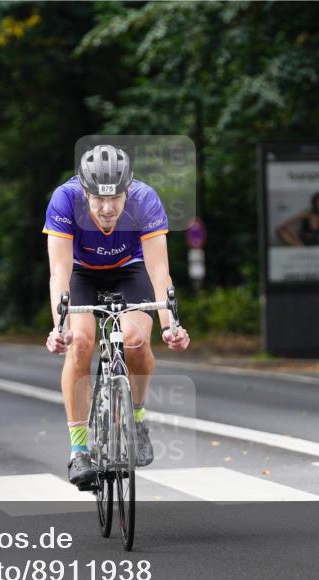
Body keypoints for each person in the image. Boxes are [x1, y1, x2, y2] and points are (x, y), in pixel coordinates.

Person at [43, 144, 190, 487]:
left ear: (128, 190)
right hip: (81, 273)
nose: (107, 209)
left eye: (115, 199)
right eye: (98, 200)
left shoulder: (145, 199)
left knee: (136, 341)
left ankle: (136, 420)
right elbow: (59, 272)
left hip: (129, 270)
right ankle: (79, 451)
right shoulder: (64, 199)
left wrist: (171, 325)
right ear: (84, 191)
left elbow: (158, 271)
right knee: (80, 341)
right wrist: (59, 327)